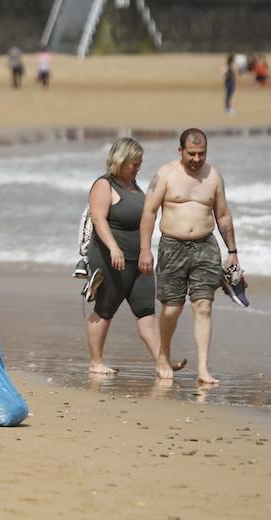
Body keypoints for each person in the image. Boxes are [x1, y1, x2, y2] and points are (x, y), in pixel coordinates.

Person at [139, 128, 240, 385]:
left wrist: (233, 252)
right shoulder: (165, 174)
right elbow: (149, 212)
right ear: (180, 151)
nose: (197, 159)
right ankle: (163, 354)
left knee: (203, 306)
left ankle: (203, 368)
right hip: (172, 247)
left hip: (206, 247)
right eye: (192, 153)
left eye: (202, 153)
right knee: (172, 309)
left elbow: (223, 215)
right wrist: (144, 250)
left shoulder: (213, 177)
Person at [85, 138, 187, 376]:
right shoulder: (104, 184)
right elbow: (98, 219)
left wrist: (146, 250)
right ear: (120, 161)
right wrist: (113, 248)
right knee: (105, 309)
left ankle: (162, 362)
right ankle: (96, 362)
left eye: (140, 162)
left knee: (146, 312)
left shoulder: (134, 186)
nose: (138, 167)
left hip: (139, 260)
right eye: (134, 163)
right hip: (111, 258)